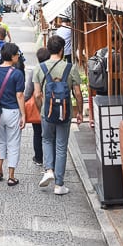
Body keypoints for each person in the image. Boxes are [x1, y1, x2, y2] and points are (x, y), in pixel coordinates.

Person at [33, 35, 84, 195]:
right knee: (61, 146)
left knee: (47, 140)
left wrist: (41, 109)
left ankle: (49, 170)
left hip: (46, 112)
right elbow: (77, 92)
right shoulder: (70, 68)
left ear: (48, 49)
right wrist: (80, 112)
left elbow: (36, 94)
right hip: (65, 112)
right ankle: (59, 185)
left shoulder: (39, 68)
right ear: (62, 50)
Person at [0, 42, 26, 186]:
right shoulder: (17, 73)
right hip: (12, 111)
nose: (18, 56)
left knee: (0, 142)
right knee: (13, 143)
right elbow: (19, 95)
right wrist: (23, 115)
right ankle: (11, 176)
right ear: (13, 56)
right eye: (17, 54)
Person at [26, 47, 50, 167]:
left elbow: (28, 92)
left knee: (37, 133)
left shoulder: (34, 70)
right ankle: (51, 159)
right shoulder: (54, 69)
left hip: (38, 106)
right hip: (52, 105)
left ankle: (39, 158)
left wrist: (22, 104)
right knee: (51, 134)